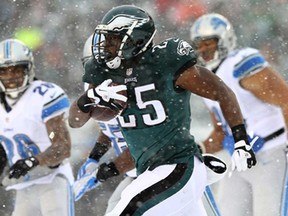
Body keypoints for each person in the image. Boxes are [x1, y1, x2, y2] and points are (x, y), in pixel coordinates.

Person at [69, 5, 256, 216]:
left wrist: (241, 139)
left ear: (136, 39)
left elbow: (222, 92)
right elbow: (75, 121)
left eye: (113, 39)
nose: (106, 45)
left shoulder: (166, 62)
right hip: (150, 170)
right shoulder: (107, 73)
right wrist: (87, 100)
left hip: (177, 164)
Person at [190, 13, 288, 216]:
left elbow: (285, 100)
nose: (203, 49)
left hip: (272, 152)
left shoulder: (240, 64)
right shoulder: (207, 78)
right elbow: (220, 132)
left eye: (209, 43)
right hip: (239, 158)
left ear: (224, 40)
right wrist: (195, 150)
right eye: (199, 45)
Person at [0, 38, 74, 216]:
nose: (11, 77)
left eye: (17, 70)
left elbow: (63, 148)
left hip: (52, 179)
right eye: (4, 71)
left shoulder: (44, 95)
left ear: (29, 69)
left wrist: (32, 161)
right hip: (23, 186)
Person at [74, 35, 137, 215]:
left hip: (158, 171)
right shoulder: (97, 91)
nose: (96, 73)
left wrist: (102, 173)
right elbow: (109, 129)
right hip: (134, 174)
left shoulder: (130, 89)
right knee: (113, 208)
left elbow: (142, 147)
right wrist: (94, 158)